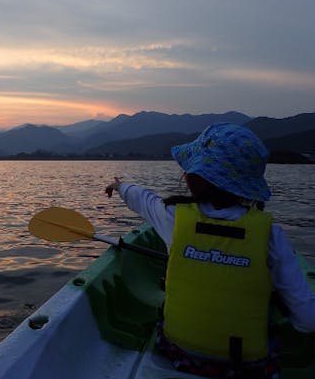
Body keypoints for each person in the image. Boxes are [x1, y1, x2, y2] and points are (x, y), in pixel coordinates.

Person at [105, 122, 315, 378]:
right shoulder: (271, 235)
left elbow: (143, 199)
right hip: (245, 366)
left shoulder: (173, 216)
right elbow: (306, 321)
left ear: (195, 178)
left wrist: (120, 186)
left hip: (180, 354)